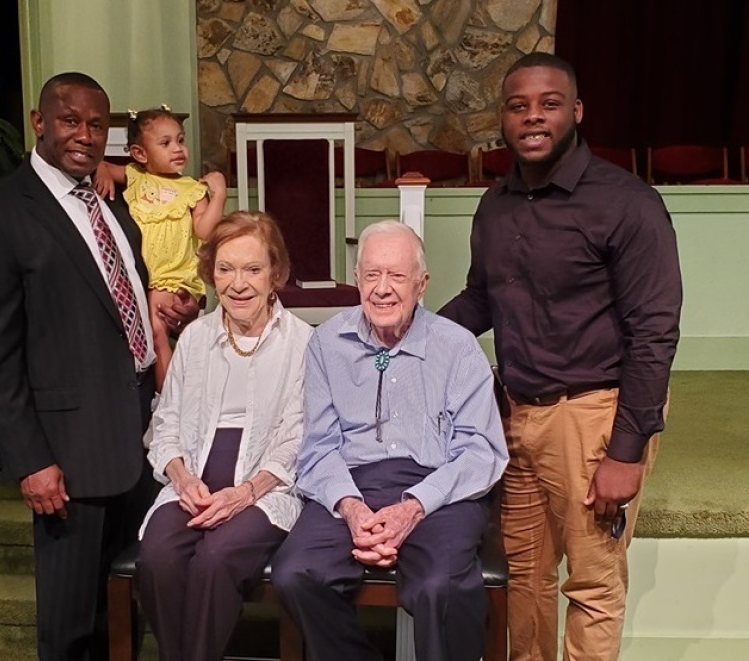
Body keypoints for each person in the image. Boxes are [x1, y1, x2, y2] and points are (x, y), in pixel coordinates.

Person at [439, 52, 683, 661]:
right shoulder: (494, 204)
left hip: (594, 417)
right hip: (516, 417)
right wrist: (407, 333)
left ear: (575, 111)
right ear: (503, 117)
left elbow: (654, 334)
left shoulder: (627, 204)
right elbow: (481, 299)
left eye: (548, 104)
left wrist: (626, 451)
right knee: (525, 581)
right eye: (518, 106)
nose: (533, 117)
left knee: (593, 584)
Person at [0, 72, 197, 660]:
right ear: (39, 123)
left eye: (97, 124)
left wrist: (159, 305)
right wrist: (31, 460)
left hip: (138, 439)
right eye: (70, 121)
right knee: (69, 624)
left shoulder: (114, 209)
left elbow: (114, 303)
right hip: (67, 454)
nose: (85, 136)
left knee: (123, 612)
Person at [271, 220, 508, 661]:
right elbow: (318, 445)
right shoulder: (326, 343)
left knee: (441, 587)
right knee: (295, 573)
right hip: (350, 482)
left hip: (439, 489)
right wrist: (352, 507)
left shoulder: (457, 347)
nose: (382, 289)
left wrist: (413, 506)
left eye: (397, 276)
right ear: (357, 280)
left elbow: (481, 451)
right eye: (372, 275)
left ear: (422, 284)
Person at [137, 210, 312, 661]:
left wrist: (245, 493)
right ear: (210, 274)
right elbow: (167, 422)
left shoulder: (302, 343)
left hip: (265, 485)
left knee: (216, 559)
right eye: (225, 269)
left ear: (276, 273)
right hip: (192, 480)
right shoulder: (195, 338)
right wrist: (181, 477)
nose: (238, 284)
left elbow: (298, 437)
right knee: (157, 557)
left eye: (253, 269)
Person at [94, 106, 227, 389]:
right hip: (142, 278)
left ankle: (166, 400)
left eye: (180, 140)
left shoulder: (192, 189)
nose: (177, 149)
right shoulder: (135, 178)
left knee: (157, 330)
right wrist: (103, 170)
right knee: (155, 330)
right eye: (165, 143)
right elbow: (101, 165)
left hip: (175, 276)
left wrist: (219, 195)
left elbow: (205, 230)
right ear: (140, 154)